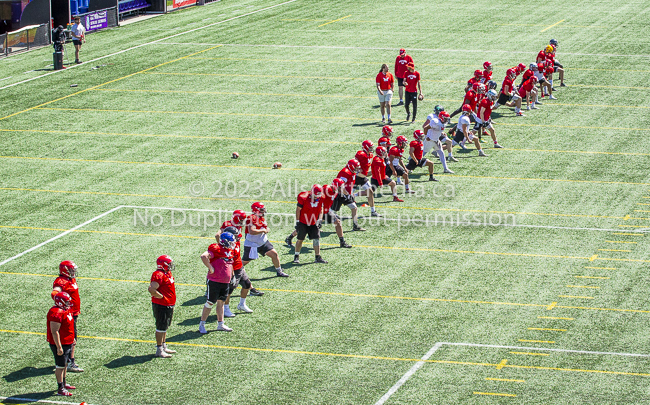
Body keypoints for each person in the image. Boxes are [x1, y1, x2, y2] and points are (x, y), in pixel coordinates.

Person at [199, 232, 236, 333]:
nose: (233, 243)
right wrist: (210, 268)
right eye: (230, 242)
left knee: (221, 302)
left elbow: (230, 264)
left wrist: (232, 275)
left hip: (225, 281)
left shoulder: (229, 251)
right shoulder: (216, 248)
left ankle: (221, 324)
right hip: (215, 281)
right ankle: (202, 324)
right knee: (210, 302)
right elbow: (204, 256)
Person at [51, 261, 83, 372]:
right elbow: (55, 293)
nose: (73, 272)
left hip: (73, 312)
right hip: (68, 313)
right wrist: (63, 302)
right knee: (71, 338)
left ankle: (70, 360)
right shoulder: (61, 281)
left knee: (73, 337)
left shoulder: (70, 279)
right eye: (71, 270)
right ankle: (69, 362)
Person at [242, 202, 288, 277]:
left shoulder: (261, 217)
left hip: (263, 242)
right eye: (261, 209)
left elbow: (263, 228)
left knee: (274, 254)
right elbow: (252, 231)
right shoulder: (251, 218)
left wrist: (265, 229)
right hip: (252, 244)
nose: (263, 211)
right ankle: (232, 269)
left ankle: (279, 271)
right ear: (256, 210)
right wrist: (263, 230)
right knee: (245, 261)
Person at [218, 224, 253, 318]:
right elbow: (229, 262)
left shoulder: (235, 243)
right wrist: (232, 274)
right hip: (233, 270)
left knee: (247, 285)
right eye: (236, 235)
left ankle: (242, 304)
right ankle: (226, 309)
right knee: (229, 291)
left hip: (240, 268)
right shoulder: (226, 247)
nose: (238, 237)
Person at [47, 292, 77, 396]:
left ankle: (63, 383)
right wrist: (59, 347)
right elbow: (54, 331)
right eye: (67, 301)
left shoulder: (65, 310)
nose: (69, 303)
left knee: (64, 365)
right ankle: (60, 388)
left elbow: (68, 326)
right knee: (60, 366)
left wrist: (72, 339)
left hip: (67, 342)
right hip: (60, 344)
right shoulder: (56, 312)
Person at [148, 255, 177, 357]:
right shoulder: (158, 274)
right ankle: (159, 349)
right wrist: (161, 297)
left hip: (168, 303)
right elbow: (151, 289)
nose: (170, 265)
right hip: (161, 305)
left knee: (165, 326)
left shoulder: (167, 273)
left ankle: (164, 346)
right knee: (161, 327)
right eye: (169, 264)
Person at [291, 185, 328, 264]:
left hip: (314, 221)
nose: (317, 197)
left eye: (319, 195)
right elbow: (298, 210)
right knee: (300, 239)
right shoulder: (303, 197)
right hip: (303, 221)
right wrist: (297, 221)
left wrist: (320, 219)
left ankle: (317, 257)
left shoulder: (321, 197)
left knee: (316, 239)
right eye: (316, 195)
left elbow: (321, 209)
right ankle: (296, 256)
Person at [332, 159, 365, 231]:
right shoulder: (345, 172)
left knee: (354, 208)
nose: (357, 169)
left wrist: (349, 194)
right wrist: (347, 194)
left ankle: (355, 226)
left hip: (346, 194)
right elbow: (340, 186)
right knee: (329, 213)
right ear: (352, 166)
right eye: (356, 167)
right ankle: (316, 225)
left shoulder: (351, 171)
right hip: (339, 194)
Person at [353, 140, 380, 217]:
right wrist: (357, 170)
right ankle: (331, 211)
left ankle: (373, 211)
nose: (372, 149)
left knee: (370, 192)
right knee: (345, 197)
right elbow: (354, 163)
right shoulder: (361, 154)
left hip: (363, 177)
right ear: (366, 147)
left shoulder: (370, 155)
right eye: (370, 147)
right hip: (355, 177)